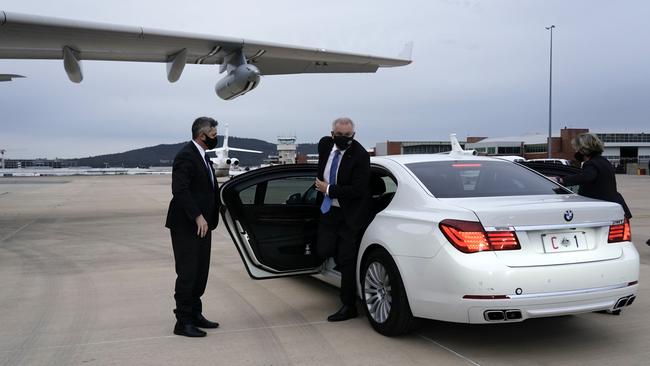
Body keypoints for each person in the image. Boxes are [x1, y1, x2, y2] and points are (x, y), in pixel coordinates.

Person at [165, 117, 221, 337]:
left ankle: (195, 313)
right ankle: (183, 321)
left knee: (200, 273)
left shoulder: (203, 156)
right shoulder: (186, 156)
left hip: (203, 226)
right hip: (187, 225)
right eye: (214, 135)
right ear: (202, 135)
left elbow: (207, 190)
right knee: (187, 273)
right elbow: (180, 191)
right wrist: (197, 216)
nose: (216, 138)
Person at [314, 117, 370, 322]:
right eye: (340, 135)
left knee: (347, 259)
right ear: (332, 134)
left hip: (350, 215)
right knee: (323, 249)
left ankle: (348, 305)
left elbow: (358, 190)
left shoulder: (360, 156)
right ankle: (336, 264)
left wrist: (327, 189)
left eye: (348, 136)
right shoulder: (325, 145)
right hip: (328, 211)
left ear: (353, 135)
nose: (345, 139)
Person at [557, 132, 632, 219]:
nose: (575, 151)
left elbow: (587, 176)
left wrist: (562, 180)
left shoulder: (591, 164)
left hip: (600, 208)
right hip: (613, 204)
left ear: (583, 149)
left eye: (576, 148)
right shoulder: (604, 161)